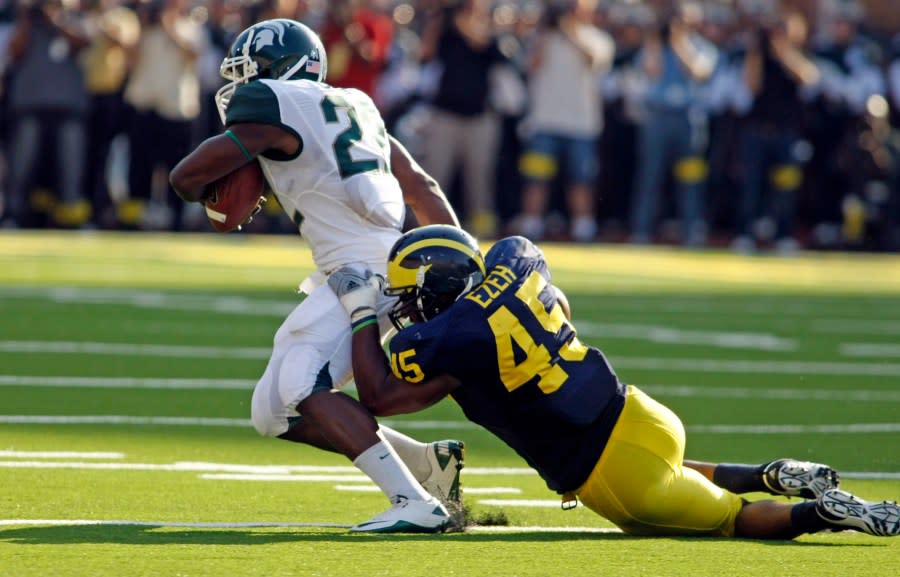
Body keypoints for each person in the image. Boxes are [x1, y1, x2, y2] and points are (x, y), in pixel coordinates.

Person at [327, 223, 900, 539]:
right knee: (673, 468)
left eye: (408, 297)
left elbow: (377, 396)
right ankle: (774, 474)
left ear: (436, 287)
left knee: (735, 520)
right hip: (642, 415)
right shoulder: (513, 257)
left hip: (613, 478)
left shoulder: (451, 339)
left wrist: (358, 314)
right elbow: (562, 304)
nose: (403, 311)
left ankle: (826, 513)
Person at [169, 19, 464, 533]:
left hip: (365, 272)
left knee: (301, 381)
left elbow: (184, 176)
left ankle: (413, 502)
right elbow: (421, 184)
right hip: (383, 264)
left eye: (252, 72)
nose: (243, 86)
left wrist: (209, 188)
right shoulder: (357, 104)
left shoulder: (276, 104)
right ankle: (425, 465)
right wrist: (461, 257)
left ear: (281, 71)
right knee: (270, 410)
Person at [512, 0, 615, 243]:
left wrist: (569, 30)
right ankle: (531, 224)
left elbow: (594, 60)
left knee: (581, 180)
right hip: (544, 120)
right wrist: (547, 32)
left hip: (582, 123)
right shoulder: (543, 37)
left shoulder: (597, 38)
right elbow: (530, 67)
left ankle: (583, 227)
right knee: (536, 178)